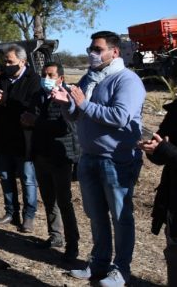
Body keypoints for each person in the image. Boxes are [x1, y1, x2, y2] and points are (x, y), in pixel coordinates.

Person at [55, 31, 146, 286]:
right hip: (89, 157)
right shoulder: (89, 78)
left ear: (114, 52)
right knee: (96, 215)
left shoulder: (127, 80)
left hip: (116, 160)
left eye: (97, 49)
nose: (91, 53)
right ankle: (99, 263)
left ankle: (121, 270)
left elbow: (120, 117)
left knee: (121, 217)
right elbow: (76, 116)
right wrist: (66, 104)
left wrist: (83, 105)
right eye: (90, 48)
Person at [21, 62, 80, 261]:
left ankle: (73, 244)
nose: (47, 78)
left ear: (60, 78)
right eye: (44, 74)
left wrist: (35, 122)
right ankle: (55, 236)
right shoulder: (38, 96)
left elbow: (64, 128)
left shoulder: (66, 98)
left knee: (64, 201)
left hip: (60, 156)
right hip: (41, 155)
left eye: (51, 74)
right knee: (48, 200)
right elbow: (31, 119)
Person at [0, 44, 40, 233]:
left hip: (24, 139)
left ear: (22, 62)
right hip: (3, 136)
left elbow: (30, 106)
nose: (7, 64)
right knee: (5, 177)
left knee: (27, 178)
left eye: (11, 61)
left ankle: (29, 216)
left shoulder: (33, 80)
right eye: (5, 61)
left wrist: (5, 101)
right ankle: (11, 212)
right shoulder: (2, 79)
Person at [139, 100, 177, 286]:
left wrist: (167, 151)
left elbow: (169, 151)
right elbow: (162, 145)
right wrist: (153, 150)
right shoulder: (175, 110)